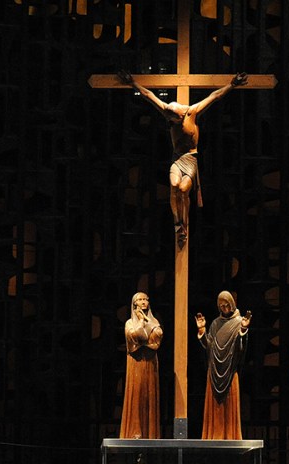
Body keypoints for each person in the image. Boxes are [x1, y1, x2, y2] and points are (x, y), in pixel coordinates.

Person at [117, 70, 248, 248]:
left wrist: (232, 84)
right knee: (174, 185)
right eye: (171, 120)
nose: (173, 123)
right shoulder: (167, 112)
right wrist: (132, 83)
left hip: (191, 159)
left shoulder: (191, 112)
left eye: (175, 120)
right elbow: (148, 95)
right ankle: (178, 224)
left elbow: (214, 96)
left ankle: (184, 221)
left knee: (184, 189)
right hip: (177, 159)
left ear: (181, 115)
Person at [196, 291, 250, 440]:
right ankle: (214, 434)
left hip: (230, 371)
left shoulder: (239, 322)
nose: (225, 308)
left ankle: (230, 435)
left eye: (227, 305)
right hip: (214, 372)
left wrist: (243, 331)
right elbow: (210, 348)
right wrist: (202, 332)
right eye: (221, 306)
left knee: (230, 407)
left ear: (232, 304)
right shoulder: (215, 324)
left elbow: (241, 350)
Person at [120, 291, 163, 439]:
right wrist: (141, 322)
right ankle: (134, 431)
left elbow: (157, 338)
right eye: (140, 300)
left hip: (150, 363)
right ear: (135, 304)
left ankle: (150, 432)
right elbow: (136, 336)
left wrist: (146, 324)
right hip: (136, 364)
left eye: (146, 299)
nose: (144, 302)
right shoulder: (130, 323)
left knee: (149, 394)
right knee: (137, 394)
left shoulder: (154, 321)